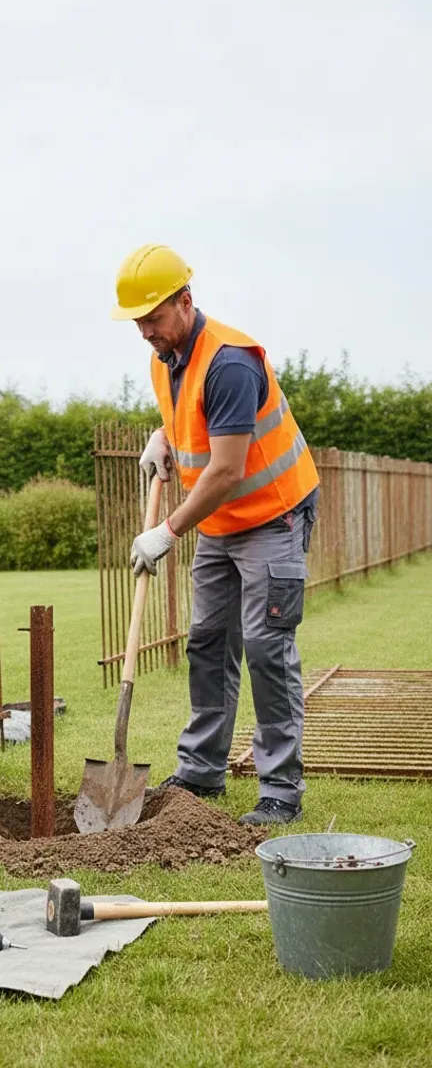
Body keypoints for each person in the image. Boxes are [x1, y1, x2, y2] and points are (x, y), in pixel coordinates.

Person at [112, 244, 320, 826]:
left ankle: (280, 788)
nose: (145, 332)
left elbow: (227, 469)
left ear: (186, 301)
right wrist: (164, 437)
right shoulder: (166, 356)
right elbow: (192, 416)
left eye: (153, 318)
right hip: (222, 523)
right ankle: (202, 771)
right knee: (207, 642)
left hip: (273, 516)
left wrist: (167, 530)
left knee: (265, 645)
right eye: (138, 321)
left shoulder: (230, 361)